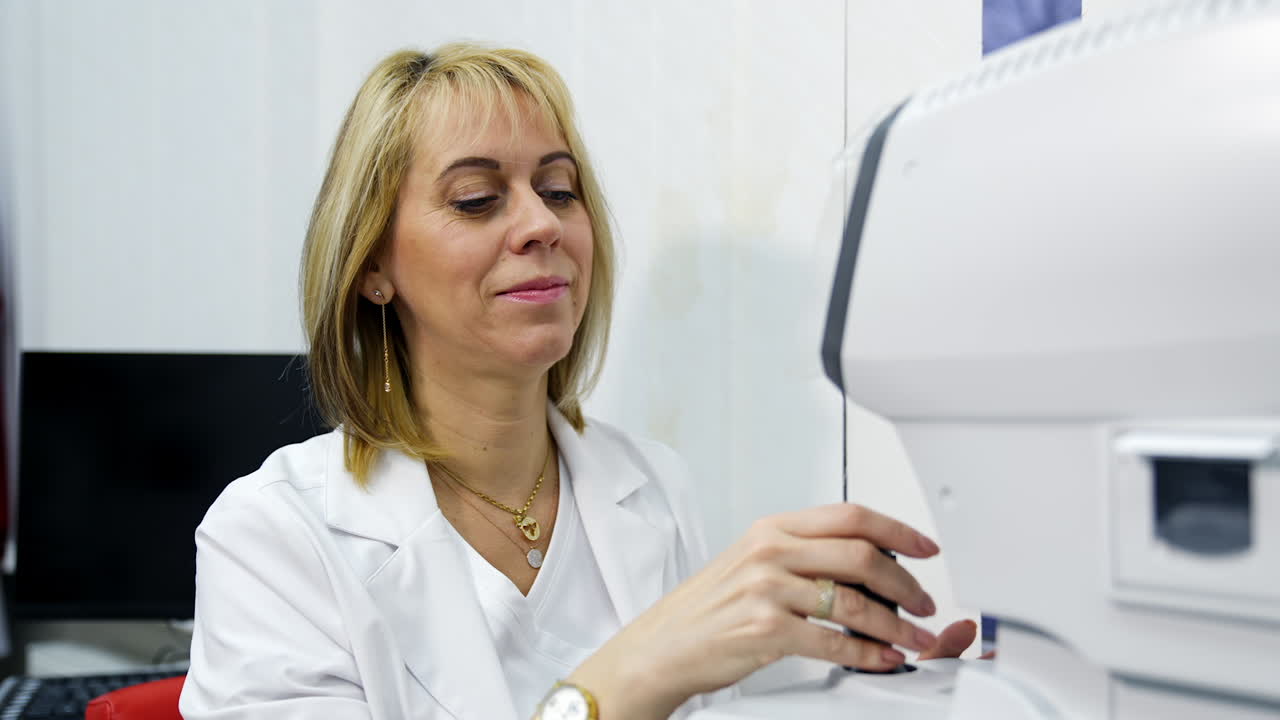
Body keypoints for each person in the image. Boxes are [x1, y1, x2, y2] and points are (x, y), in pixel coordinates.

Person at [178, 43, 978, 720]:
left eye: (559, 190)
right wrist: (618, 684)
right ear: (374, 267)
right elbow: (645, 679)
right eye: (477, 199)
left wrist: (865, 691)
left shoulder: (651, 487)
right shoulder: (273, 540)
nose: (541, 225)